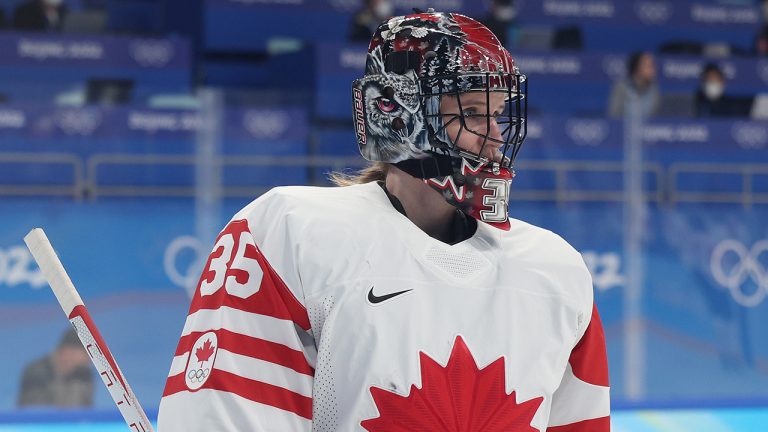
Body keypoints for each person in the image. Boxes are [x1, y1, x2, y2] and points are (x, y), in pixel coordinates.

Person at [158, 10, 610, 431]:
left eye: (497, 114)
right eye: (471, 113)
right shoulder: (290, 234)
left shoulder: (555, 269)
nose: (495, 136)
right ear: (393, 114)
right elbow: (225, 415)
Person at [17, 328, 94, 407]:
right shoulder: (36, 373)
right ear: (68, 351)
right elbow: (35, 411)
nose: (90, 358)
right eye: (86, 352)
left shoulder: (85, 374)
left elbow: (87, 410)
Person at [608, 50, 659, 118]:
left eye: (653, 66)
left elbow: (658, 117)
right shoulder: (621, 88)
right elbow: (613, 115)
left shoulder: (654, 90)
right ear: (637, 68)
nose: (653, 70)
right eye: (648, 66)